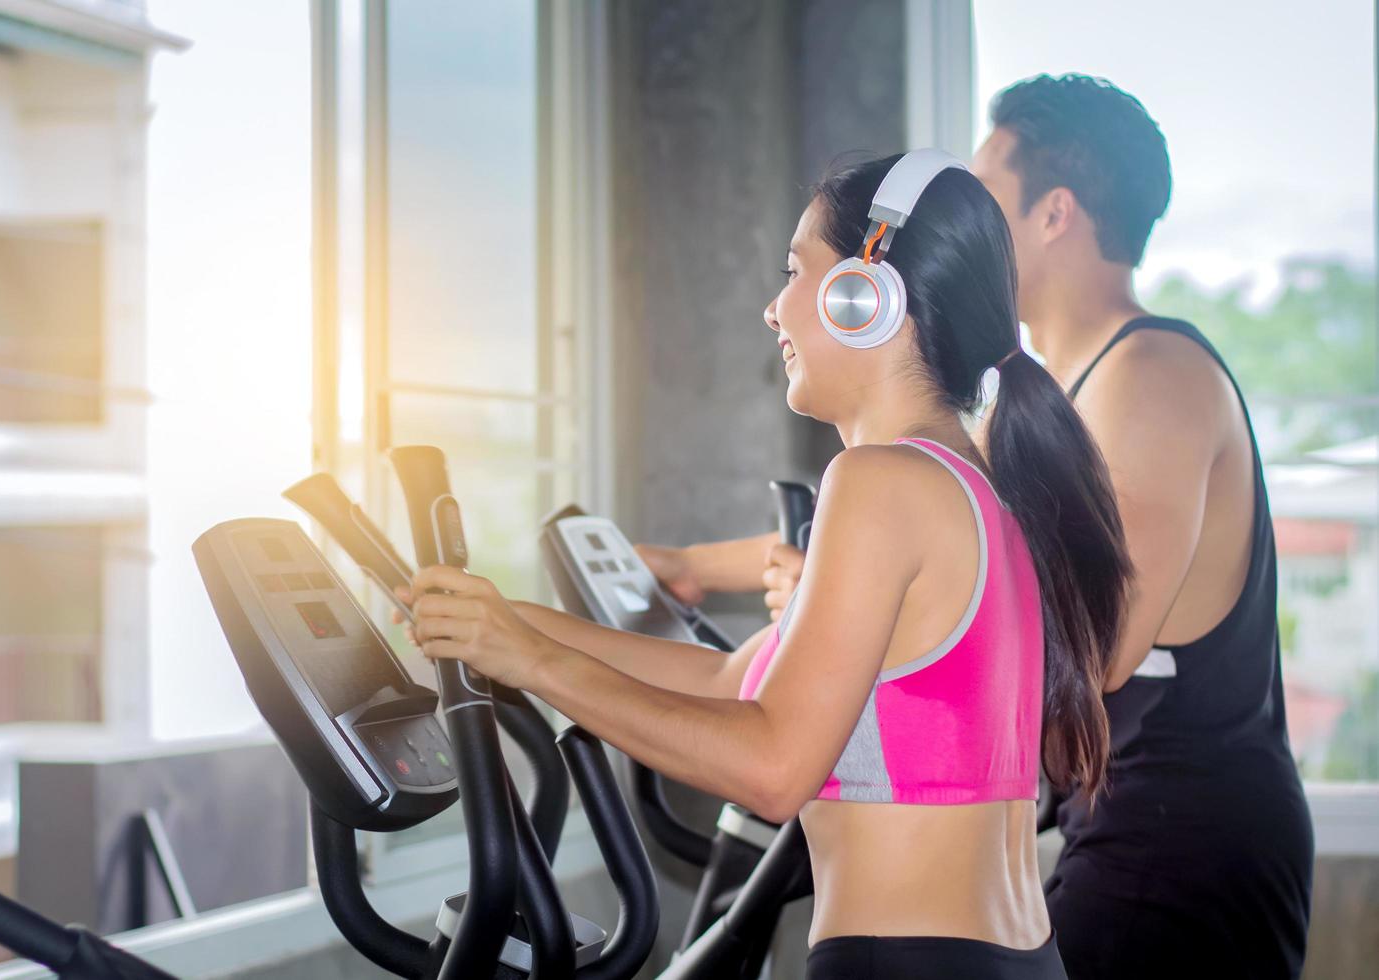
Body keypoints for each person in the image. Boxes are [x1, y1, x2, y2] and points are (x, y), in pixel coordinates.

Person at [400, 150, 1131, 979]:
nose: (772, 309)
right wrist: (502, 624)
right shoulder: (981, 491)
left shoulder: (879, 482)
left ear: (865, 296)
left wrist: (532, 660)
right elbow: (728, 686)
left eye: (793, 272)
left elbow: (774, 768)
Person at [651, 76, 1316, 978]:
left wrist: (845, 614)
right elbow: (937, 545)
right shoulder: (1025, 402)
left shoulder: (1151, 374)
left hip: (1181, 843)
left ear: (1055, 214)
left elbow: (1090, 644)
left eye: (984, 183)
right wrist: (696, 566)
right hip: (1112, 826)